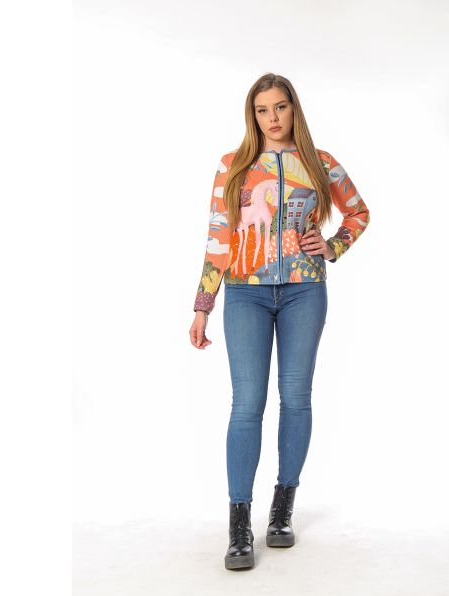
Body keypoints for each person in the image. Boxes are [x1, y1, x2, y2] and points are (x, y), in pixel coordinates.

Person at [189, 73, 370, 570]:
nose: (272, 117)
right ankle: (238, 525)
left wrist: (331, 246)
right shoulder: (233, 166)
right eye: (262, 109)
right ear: (253, 115)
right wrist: (203, 305)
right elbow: (219, 237)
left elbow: (358, 213)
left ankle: (282, 509)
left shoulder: (320, 162)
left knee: (296, 396)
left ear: (294, 109)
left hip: (304, 292)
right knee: (247, 403)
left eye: (280, 107)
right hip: (244, 292)